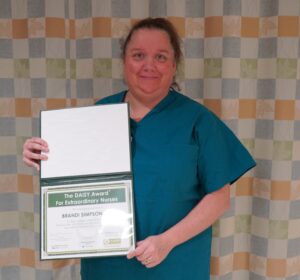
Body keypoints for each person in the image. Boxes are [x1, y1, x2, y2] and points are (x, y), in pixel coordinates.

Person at [23, 18, 256, 280]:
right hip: (108, 267)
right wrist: (46, 159)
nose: (149, 65)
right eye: (138, 55)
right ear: (124, 61)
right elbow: (75, 182)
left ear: (173, 65)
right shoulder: (96, 116)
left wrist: (166, 242)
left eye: (160, 57)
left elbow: (219, 198)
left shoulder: (199, 121)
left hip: (176, 264)